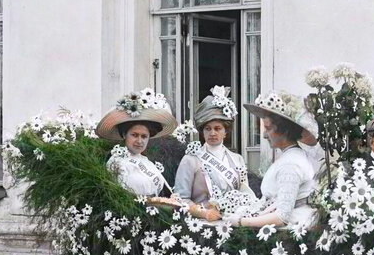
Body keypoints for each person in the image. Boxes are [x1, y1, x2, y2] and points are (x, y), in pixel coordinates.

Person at [97, 90, 221, 220]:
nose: (139, 141)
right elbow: (117, 198)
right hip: (132, 217)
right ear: (124, 135)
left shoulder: (147, 162)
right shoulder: (116, 161)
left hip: (156, 217)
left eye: (144, 136)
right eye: (134, 135)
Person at [229, 92, 320, 229]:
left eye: (268, 128)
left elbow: (282, 217)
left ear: (284, 131)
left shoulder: (291, 164)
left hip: (288, 231)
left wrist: (241, 222)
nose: (264, 135)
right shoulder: (290, 156)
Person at [174, 87, 258, 218]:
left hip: (232, 223)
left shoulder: (238, 159)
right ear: (202, 132)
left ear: (226, 131)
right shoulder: (191, 159)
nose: (212, 133)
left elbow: (244, 194)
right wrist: (205, 213)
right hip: (202, 225)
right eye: (208, 129)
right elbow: (180, 199)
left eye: (217, 128)